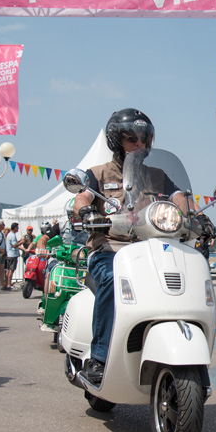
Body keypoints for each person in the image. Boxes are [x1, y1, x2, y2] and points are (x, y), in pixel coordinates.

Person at [72, 108, 195, 384]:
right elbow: (81, 198)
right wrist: (86, 212)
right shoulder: (98, 174)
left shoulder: (158, 175)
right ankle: (99, 357)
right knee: (112, 280)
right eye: (132, 139)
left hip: (152, 251)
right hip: (111, 250)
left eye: (144, 138)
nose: (139, 144)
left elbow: (181, 198)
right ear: (116, 141)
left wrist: (195, 215)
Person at [4, 222, 20, 290]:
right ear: (15, 228)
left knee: (8, 270)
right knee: (11, 270)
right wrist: (21, 242)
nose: (18, 229)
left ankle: (7, 283)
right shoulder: (12, 235)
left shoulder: (9, 235)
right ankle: (9, 284)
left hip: (9, 254)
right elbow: (14, 245)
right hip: (13, 254)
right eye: (17, 227)